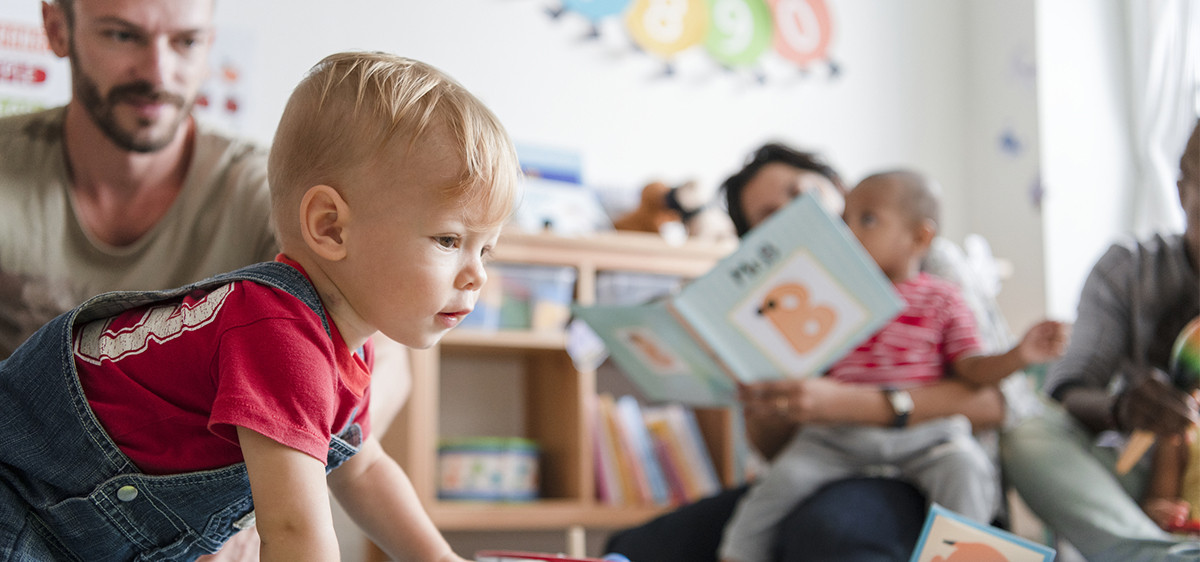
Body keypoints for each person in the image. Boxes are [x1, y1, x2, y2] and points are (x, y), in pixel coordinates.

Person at [0, 50, 520, 561]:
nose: (476, 274)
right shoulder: (280, 336)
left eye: (485, 248)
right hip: (23, 505)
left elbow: (362, 468)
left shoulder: (344, 347)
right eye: (449, 240)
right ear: (330, 227)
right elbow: (295, 534)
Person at [607, 143, 1043, 561]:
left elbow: (998, 403)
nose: (797, 212)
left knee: (829, 531)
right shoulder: (781, 298)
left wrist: (856, 404)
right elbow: (780, 454)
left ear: (837, 185)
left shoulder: (931, 264)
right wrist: (763, 399)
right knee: (636, 547)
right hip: (830, 455)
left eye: (801, 191)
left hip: (926, 466)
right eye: (770, 216)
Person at [716, 170, 1068, 562]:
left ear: (919, 238)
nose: (849, 232)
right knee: (772, 491)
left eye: (867, 220)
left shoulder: (943, 298)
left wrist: (1018, 355)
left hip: (927, 437)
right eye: (845, 220)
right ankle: (737, 554)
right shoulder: (831, 297)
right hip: (836, 440)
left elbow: (973, 371)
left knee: (966, 470)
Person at [1000, 118, 1200, 562]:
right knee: (1031, 435)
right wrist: (1123, 407)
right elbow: (1070, 390)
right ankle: (1159, 556)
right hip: (1142, 476)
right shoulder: (1128, 269)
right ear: (1182, 188)